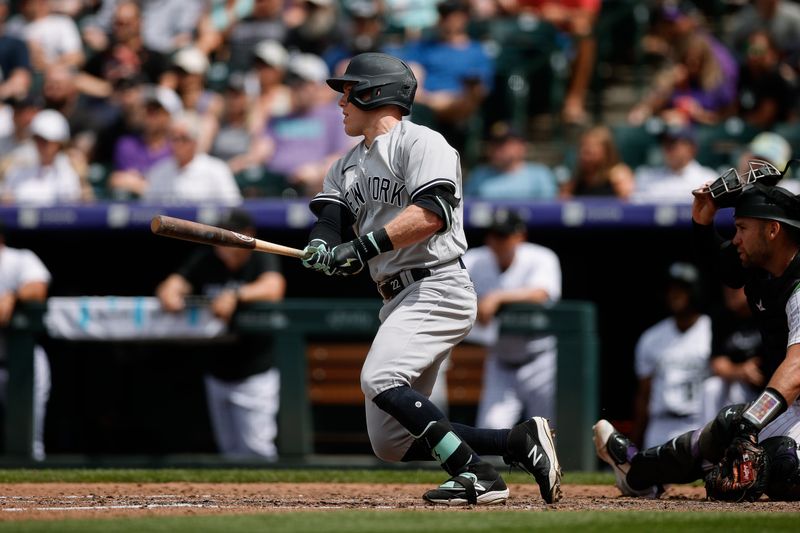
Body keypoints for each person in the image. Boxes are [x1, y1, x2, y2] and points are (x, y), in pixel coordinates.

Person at [300, 52, 561, 505]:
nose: (340, 102)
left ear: (373, 92)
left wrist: (360, 249)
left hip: (437, 284)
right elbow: (331, 216)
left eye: (347, 92)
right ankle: (516, 443)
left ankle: (478, 476)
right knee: (391, 442)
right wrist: (323, 246)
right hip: (397, 297)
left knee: (379, 379)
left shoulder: (422, 143)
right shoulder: (345, 165)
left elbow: (430, 215)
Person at [594, 175, 800, 502]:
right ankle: (639, 471)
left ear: (773, 231)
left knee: (780, 462)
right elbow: (721, 266)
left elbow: (798, 367)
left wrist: (751, 423)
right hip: (794, 408)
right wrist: (703, 221)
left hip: (794, 395)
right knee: (734, 425)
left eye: (742, 228)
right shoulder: (765, 264)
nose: (735, 239)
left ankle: (644, 471)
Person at [156, 209, 286, 460]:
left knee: (258, 449)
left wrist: (236, 295)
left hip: (254, 372)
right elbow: (173, 284)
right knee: (229, 452)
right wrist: (170, 293)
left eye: (227, 234)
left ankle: (270, 500)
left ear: (247, 236)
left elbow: (274, 287)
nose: (220, 242)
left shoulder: (259, 257)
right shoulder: (206, 257)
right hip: (217, 371)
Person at [463, 209, 562, 427]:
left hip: (539, 360)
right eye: (493, 235)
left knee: (548, 431)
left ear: (520, 236)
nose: (497, 241)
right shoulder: (474, 259)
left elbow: (542, 293)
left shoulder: (541, 257)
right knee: (491, 427)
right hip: (500, 361)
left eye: (504, 235)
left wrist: (498, 297)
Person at [631, 262, 712, 449]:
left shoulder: (712, 331)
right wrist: (635, 443)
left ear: (694, 292)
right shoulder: (652, 337)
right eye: (671, 289)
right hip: (660, 426)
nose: (674, 295)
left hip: (699, 423)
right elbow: (643, 395)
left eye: (681, 289)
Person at [0, 221, 51, 461]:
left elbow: (38, 288)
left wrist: (12, 295)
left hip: (22, 360)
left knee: (30, 441)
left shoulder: (19, 259)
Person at [142, 113, 242, 205]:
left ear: (195, 141)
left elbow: (233, 207)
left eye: (183, 139)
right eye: (173, 139)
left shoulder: (216, 169)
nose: (177, 144)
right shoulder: (159, 172)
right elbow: (149, 210)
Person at [702, 285, 765, 424]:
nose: (729, 291)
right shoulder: (721, 317)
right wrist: (741, 370)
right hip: (742, 385)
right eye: (726, 286)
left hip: (769, 385)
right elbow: (717, 363)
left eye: (735, 286)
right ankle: (710, 439)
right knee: (713, 387)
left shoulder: (765, 309)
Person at [1, 108, 88, 205]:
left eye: (45, 141)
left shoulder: (70, 169)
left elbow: (85, 205)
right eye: (37, 139)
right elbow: (6, 203)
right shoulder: (19, 167)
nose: (40, 145)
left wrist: (82, 180)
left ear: (59, 143)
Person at [464, 122, 557, 200]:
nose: (497, 148)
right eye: (494, 143)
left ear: (521, 147)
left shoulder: (539, 175)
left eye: (503, 143)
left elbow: (549, 212)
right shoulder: (479, 175)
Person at [631, 125, 717, 204]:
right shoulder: (646, 177)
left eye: (673, 143)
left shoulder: (708, 179)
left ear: (691, 147)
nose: (667, 147)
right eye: (664, 142)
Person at [559, 125, 635, 200]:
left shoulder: (618, 177)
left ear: (607, 151)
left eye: (589, 150)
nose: (583, 154)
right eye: (581, 147)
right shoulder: (575, 182)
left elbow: (629, 206)